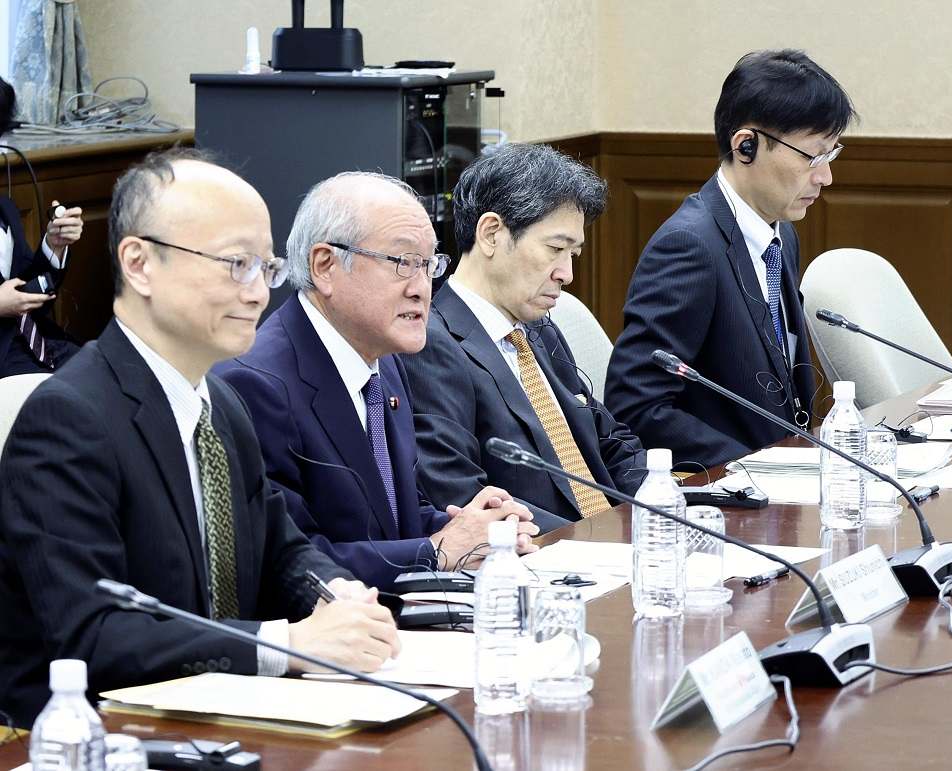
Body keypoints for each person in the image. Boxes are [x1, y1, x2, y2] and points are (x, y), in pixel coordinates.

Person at [0, 149, 400, 727]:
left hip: (226, 716)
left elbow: (281, 552)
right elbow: (95, 636)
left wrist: (339, 598)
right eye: (236, 264)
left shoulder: (221, 404)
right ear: (139, 264)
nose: (260, 294)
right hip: (99, 735)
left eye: (267, 269)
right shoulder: (68, 418)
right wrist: (288, 644)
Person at [217, 172, 538, 591]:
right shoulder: (255, 385)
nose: (421, 288)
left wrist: (475, 529)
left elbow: (395, 517)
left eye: (428, 265)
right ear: (325, 266)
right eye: (403, 262)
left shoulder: (383, 363)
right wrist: (436, 550)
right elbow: (289, 564)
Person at [604, 49, 857, 470]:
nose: (825, 176)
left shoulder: (781, 234)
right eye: (812, 156)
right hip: (729, 492)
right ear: (746, 145)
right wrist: (752, 468)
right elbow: (637, 405)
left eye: (831, 154)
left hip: (786, 484)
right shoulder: (689, 247)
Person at [401, 143, 646, 524]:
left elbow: (609, 440)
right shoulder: (430, 344)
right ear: (492, 233)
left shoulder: (539, 327)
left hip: (616, 540)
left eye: (573, 255)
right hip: (550, 562)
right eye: (555, 249)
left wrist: (666, 506)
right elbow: (464, 497)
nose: (566, 274)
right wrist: (602, 544)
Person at [0, 76, 84, 376]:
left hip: (37, 343)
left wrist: (54, 246)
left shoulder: (5, 209)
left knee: (114, 376)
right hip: (6, 362)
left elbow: (28, 296)